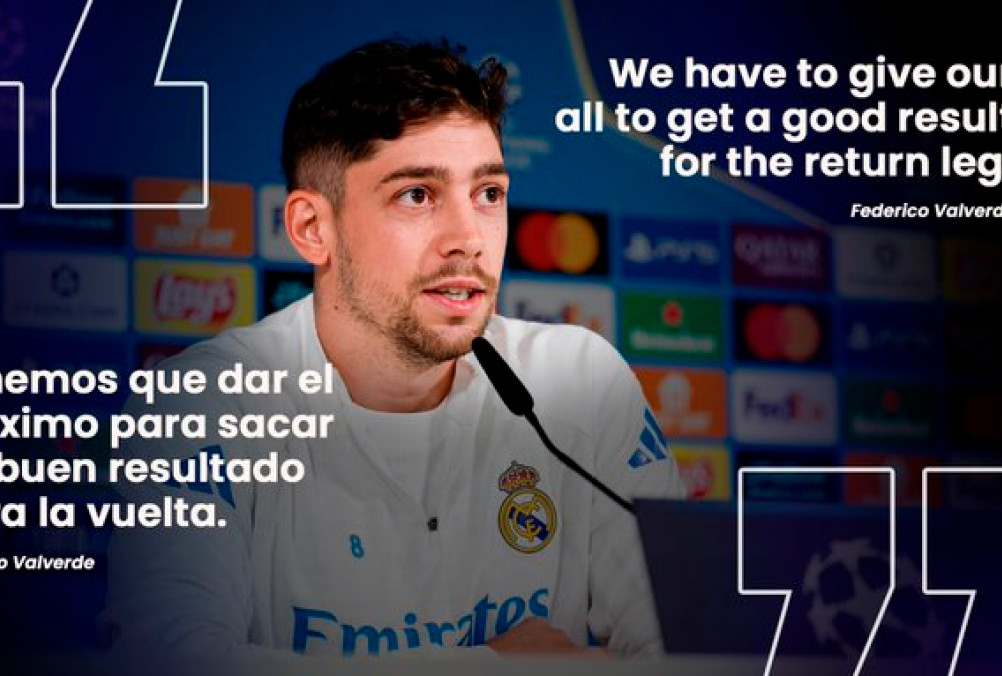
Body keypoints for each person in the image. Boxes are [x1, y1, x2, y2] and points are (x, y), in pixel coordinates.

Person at [100, 38, 684, 660]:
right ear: (312, 229)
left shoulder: (581, 384)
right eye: (417, 195)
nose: (468, 238)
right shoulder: (204, 404)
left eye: (488, 194)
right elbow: (168, 659)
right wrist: (491, 668)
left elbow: (693, 649)